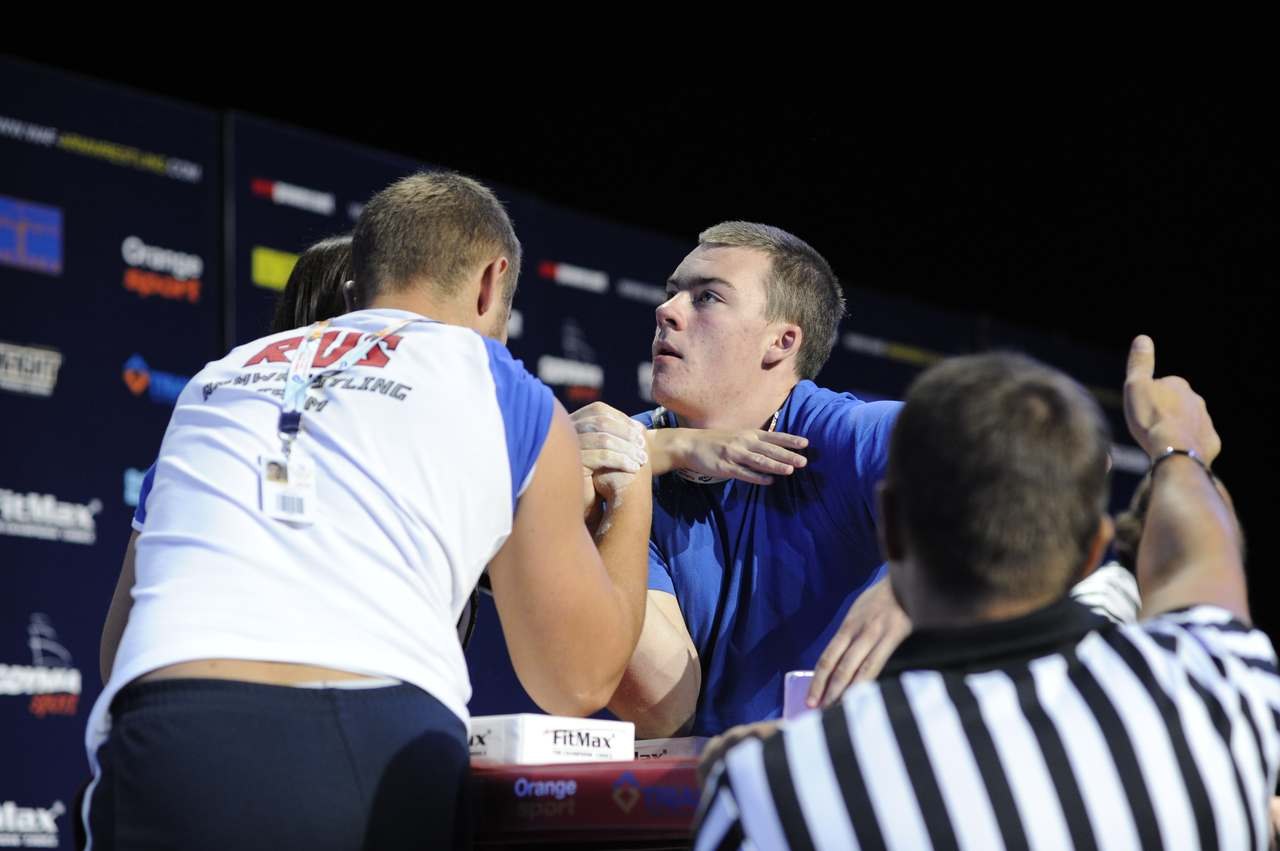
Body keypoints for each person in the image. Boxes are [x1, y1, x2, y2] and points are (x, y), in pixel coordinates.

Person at [84, 171, 652, 850]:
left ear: (361, 275)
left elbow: (119, 644)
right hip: (368, 743)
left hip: (166, 733)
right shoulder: (501, 384)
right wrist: (636, 471)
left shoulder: (218, 378)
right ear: (489, 283)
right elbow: (578, 678)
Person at [695, 337, 1277, 850]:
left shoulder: (774, 789)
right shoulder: (1218, 687)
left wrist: (781, 766)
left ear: (890, 527)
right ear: (1093, 547)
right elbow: (1200, 561)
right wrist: (1177, 450)